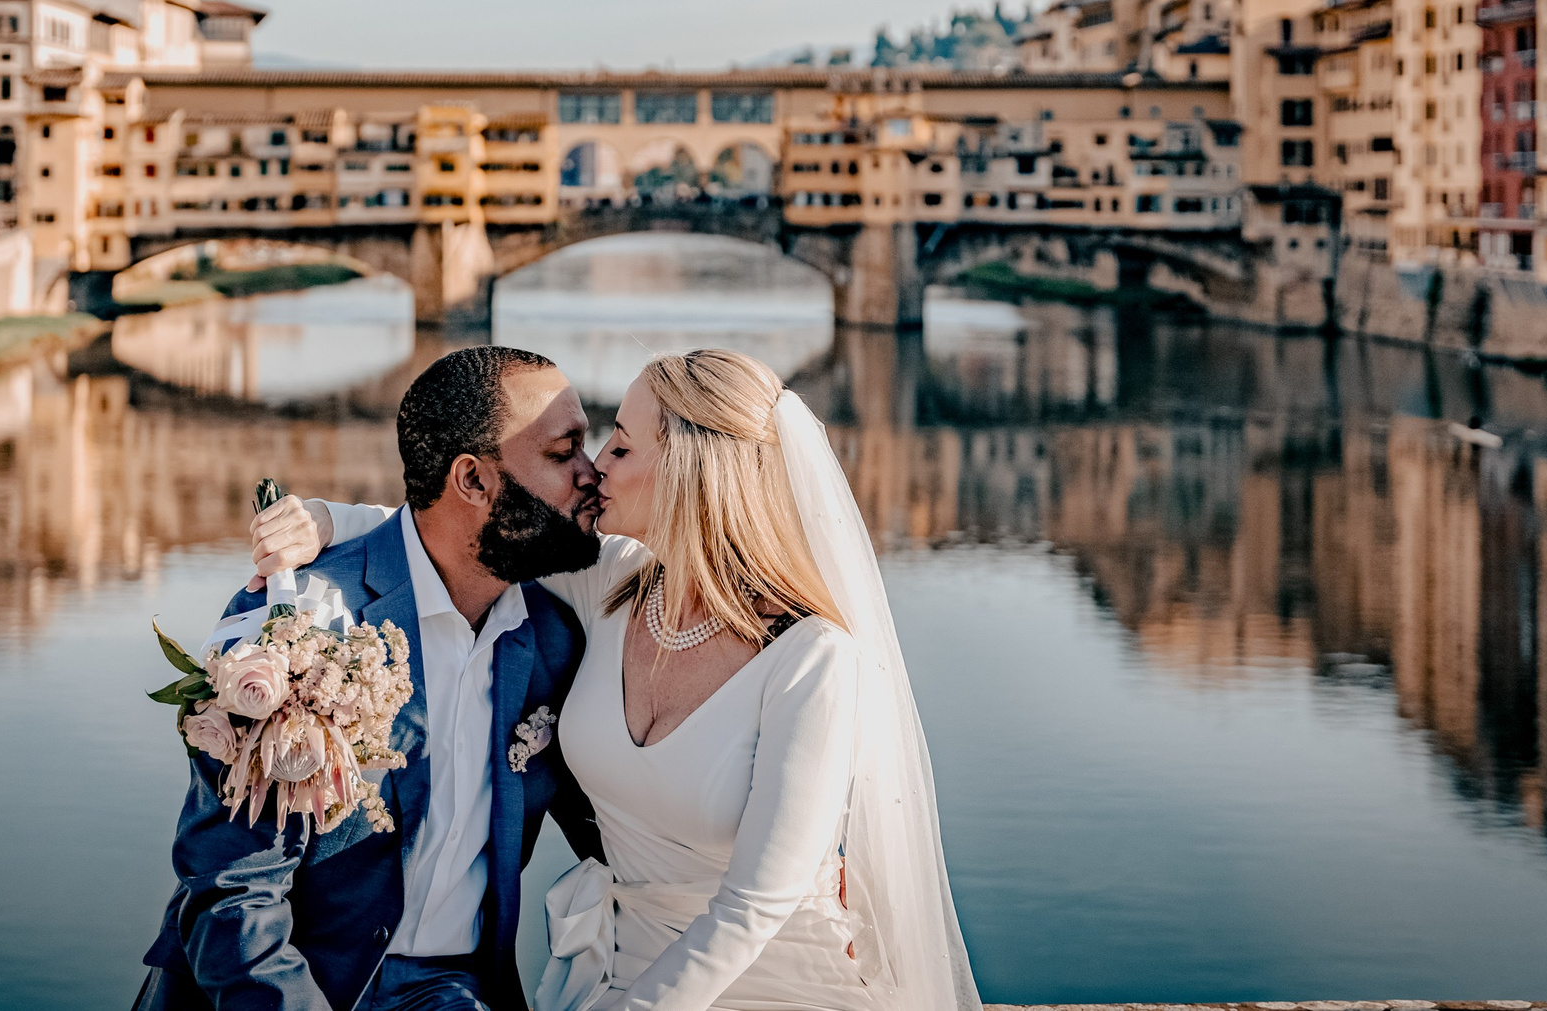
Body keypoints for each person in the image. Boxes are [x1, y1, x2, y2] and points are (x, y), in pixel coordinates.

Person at [256, 348, 980, 1011]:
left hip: (769, 981)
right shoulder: (609, 581)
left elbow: (755, 905)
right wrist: (328, 520)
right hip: (620, 969)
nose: (596, 465)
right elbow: (463, 526)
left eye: (622, 446)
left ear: (695, 470)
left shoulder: (812, 657)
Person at [136, 345, 609, 1011]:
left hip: (453, 991)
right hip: (281, 987)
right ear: (472, 481)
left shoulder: (554, 641)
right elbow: (234, 892)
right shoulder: (295, 622)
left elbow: (622, 835)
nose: (595, 474)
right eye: (565, 452)